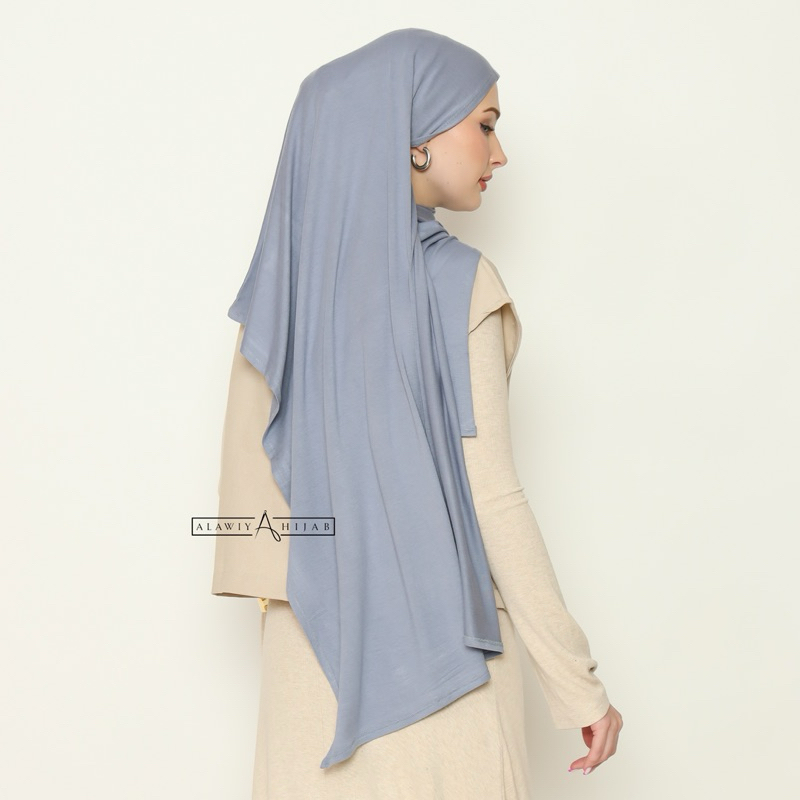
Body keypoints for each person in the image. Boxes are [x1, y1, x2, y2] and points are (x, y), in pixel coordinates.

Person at [212, 28, 623, 798]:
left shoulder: (281, 301)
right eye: (485, 126)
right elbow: (493, 497)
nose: (500, 154)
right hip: (448, 666)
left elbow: (259, 500)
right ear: (413, 137)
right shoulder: (459, 284)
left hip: (308, 661)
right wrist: (577, 685)